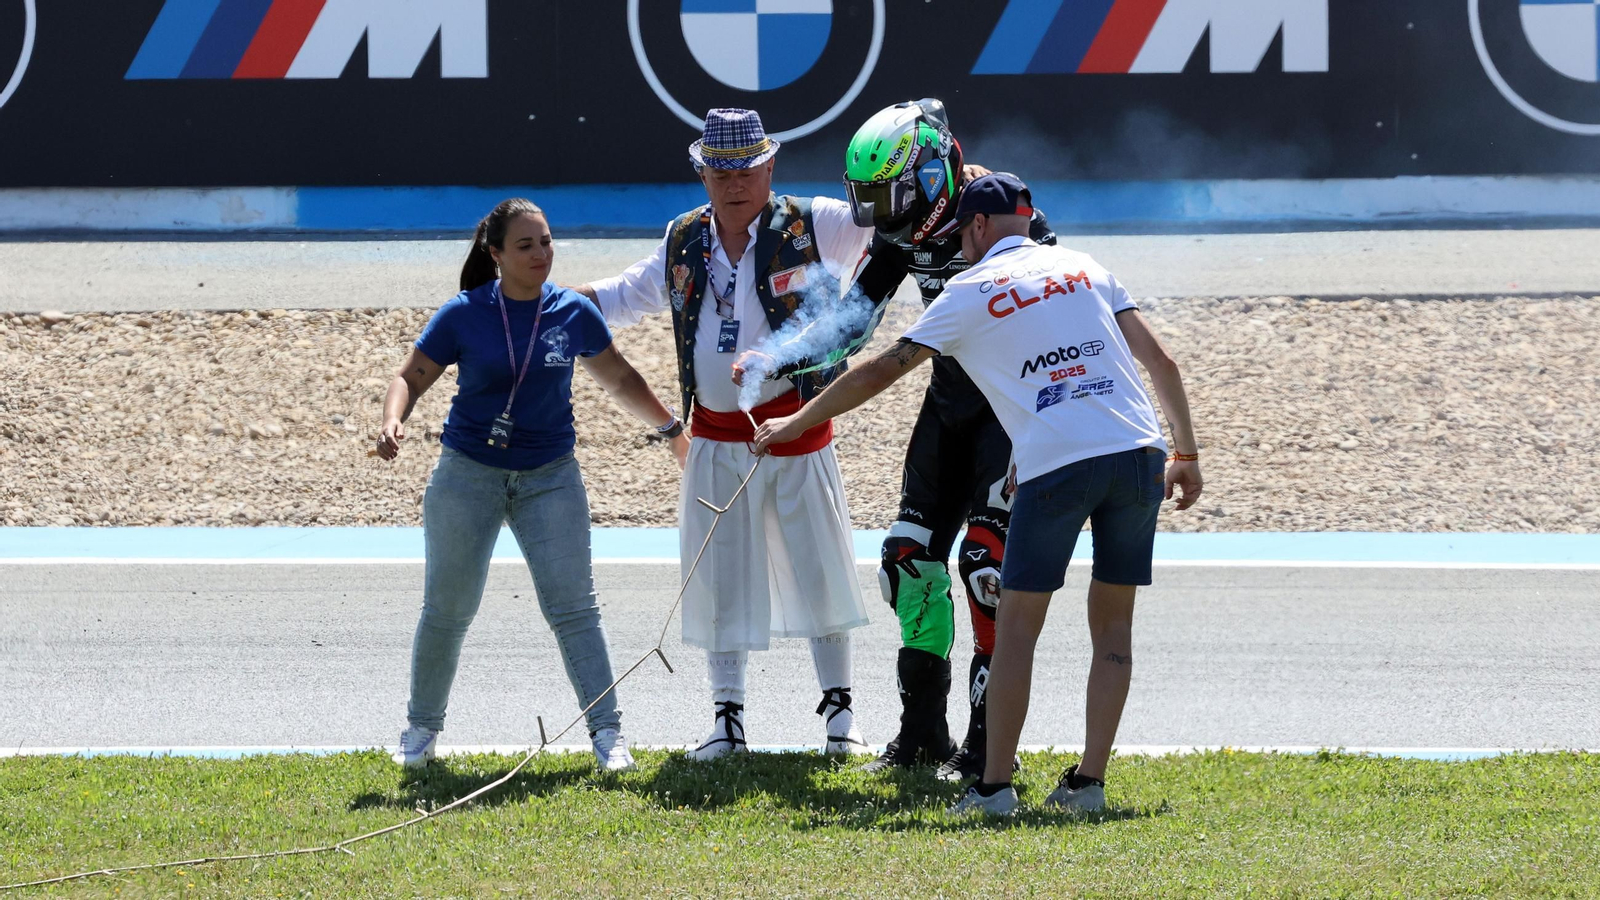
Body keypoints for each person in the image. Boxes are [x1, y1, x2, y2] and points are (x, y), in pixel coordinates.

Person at [753, 174, 1203, 816]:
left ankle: (992, 786)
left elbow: (881, 369)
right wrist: (1185, 456)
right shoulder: (1085, 265)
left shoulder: (966, 290)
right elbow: (1164, 364)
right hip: (1140, 454)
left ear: (980, 228)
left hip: (1057, 462)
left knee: (1013, 626)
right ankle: (1087, 784)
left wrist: (796, 421)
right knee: (1113, 632)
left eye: (964, 231)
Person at [571, 108, 876, 760]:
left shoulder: (816, 221)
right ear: (702, 172)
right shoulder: (683, 237)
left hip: (798, 431)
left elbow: (890, 221)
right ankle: (727, 721)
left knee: (822, 574)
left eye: (746, 168)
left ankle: (840, 718)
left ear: (770, 166)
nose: (734, 182)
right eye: (721, 170)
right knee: (718, 579)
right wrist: (553, 302)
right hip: (711, 436)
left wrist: (958, 186)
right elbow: (629, 293)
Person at [378, 198, 690, 773]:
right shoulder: (463, 313)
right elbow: (409, 376)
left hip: (551, 478)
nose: (541, 254)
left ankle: (608, 735)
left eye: (546, 241)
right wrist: (393, 419)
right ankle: (420, 732)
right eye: (525, 245)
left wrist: (671, 427)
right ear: (495, 255)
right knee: (447, 610)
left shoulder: (573, 312)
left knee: (575, 609)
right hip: (467, 475)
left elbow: (620, 378)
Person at [833, 99, 1059, 781]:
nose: (881, 214)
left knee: (984, 567)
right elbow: (854, 316)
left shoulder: (1007, 213)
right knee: (907, 562)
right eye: (867, 199)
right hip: (948, 403)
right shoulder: (900, 232)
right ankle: (920, 736)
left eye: (890, 194)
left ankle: (989, 746)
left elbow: (1056, 312)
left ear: (933, 174)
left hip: (1010, 409)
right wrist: (792, 361)